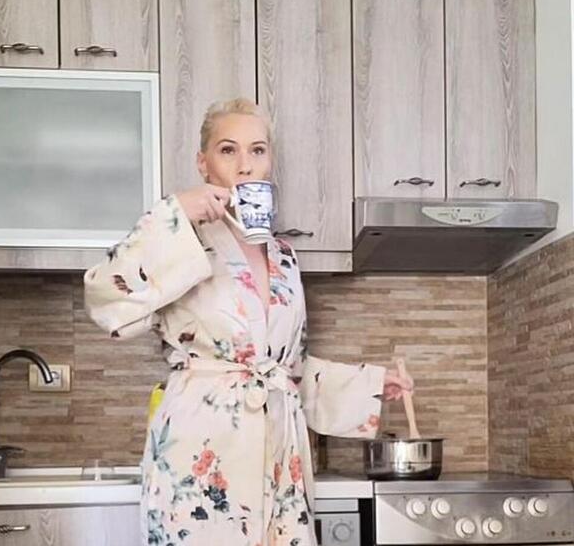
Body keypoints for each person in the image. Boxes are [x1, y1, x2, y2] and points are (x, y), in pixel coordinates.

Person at [84, 98, 413, 546]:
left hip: (279, 452)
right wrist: (175, 212)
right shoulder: (181, 236)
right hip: (201, 448)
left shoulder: (284, 256)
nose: (245, 165)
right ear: (203, 163)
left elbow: (286, 370)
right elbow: (106, 301)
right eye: (228, 150)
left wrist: (370, 384)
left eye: (257, 150)